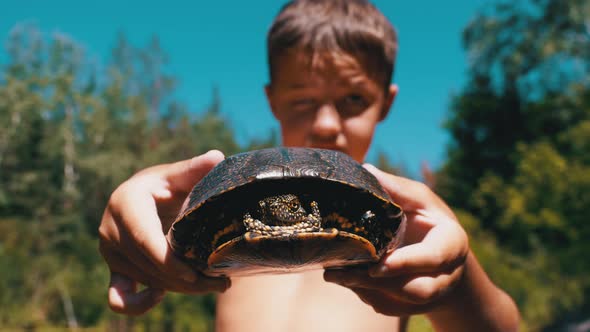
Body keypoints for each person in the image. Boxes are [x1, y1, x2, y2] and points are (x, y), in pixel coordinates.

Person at [98, 1, 520, 331]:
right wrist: (132, 203)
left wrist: (456, 283)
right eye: (303, 100)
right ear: (272, 99)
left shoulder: (410, 218)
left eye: (353, 100)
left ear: (385, 103)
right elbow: (152, 212)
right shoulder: (230, 202)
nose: (325, 125)